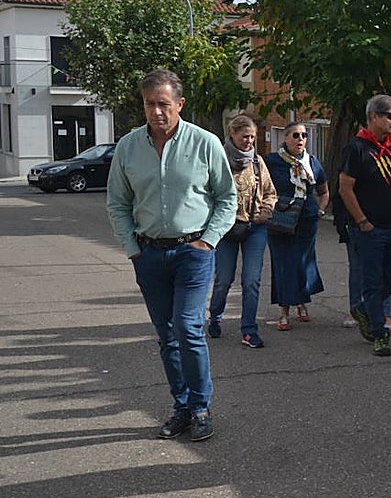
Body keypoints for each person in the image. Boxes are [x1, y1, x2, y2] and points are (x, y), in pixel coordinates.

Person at [106, 69, 237, 442]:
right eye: (150, 104)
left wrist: (208, 240)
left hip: (193, 252)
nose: (157, 112)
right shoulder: (129, 147)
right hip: (149, 254)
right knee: (166, 335)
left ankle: (201, 407)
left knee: (188, 327)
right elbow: (117, 202)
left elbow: (227, 198)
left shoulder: (204, 143)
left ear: (179, 104)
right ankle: (181, 407)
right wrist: (131, 248)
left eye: (164, 104)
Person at [339, 95, 391, 357]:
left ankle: (366, 310)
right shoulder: (356, 148)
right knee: (372, 281)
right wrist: (362, 221)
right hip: (368, 229)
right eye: (390, 116)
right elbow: (345, 188)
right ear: (374, 117)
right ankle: (379, 334)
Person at [206, 115, 278, 349]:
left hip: (254, 228)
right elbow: (206, 194)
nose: (249, 141)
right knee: (223, 280)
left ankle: (249, 330)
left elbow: (270, 192)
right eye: (245, 136)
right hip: (226, 230)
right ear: (232, 134)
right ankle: (215, 316)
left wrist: (265, 213)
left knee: (251, 281)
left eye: (252, 137)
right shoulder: (218, 160)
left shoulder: (257, 162)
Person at [265, 120, 329, 331]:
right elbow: (262, 187)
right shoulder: (273, 161)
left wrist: (320, 209)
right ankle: (284, 311)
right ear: (285, 138)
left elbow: (324, 191)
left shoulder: (313, 162)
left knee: (303, 261)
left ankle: (302, 302)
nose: (300, 139)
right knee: (283, 264)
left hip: (306, 219)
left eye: (304, 135)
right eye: (295, 135)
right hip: (281, 219)